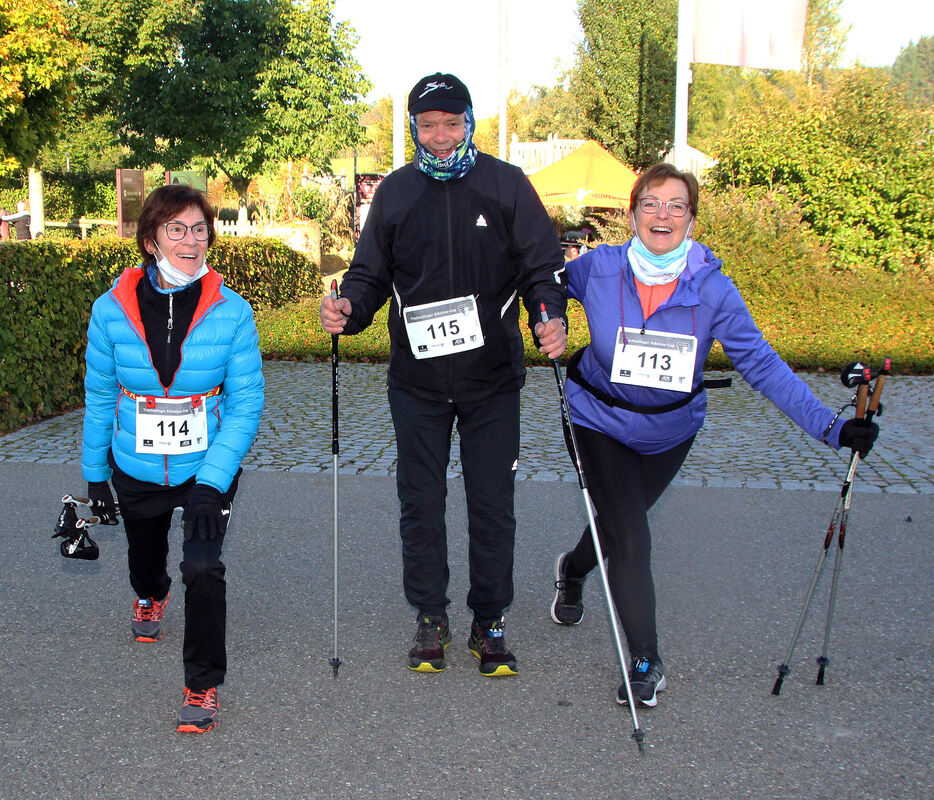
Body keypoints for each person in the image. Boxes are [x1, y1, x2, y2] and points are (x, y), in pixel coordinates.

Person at [549, 163, 879, 708]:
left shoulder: (714, 290)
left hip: (670, 431)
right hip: (598, 420)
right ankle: (647, 661)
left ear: (692, 222)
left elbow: (764, 366)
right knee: (631, 535)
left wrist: (832, 426)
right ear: (632, 214)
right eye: (651, 203)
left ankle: (572, 568)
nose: (663, 215)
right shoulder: (598, 269)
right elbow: (545, 287)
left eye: (677, 206)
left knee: (616, 524)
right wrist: (551, 314)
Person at [320, 72, 567, 677]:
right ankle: (431, 616)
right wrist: (348, 309)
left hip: (491, 380)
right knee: (421, 501)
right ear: (412, 128)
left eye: (450, 124)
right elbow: (370, 274)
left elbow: (541, 265)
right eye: (427, 125)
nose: (438, 136)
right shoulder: (397, 193)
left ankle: (490, 621)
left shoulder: (506, 185)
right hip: (418, 382)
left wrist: (550, 315)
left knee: (491, 503)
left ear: (469, 122)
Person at [82, 184, 264, 732]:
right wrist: (95, 474)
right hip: (135, 463)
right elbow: (99, 395)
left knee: (203, 567)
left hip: (205, 465)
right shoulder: (109, 310)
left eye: (200, 229)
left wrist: (213, 480)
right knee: (145, 558)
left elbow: (247, 401)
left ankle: (202, 685)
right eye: (177, 229)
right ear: (150, 239)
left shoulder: (232, 311)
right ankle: (149, 594)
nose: (191, 241)